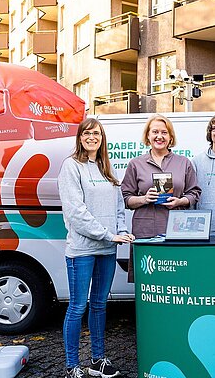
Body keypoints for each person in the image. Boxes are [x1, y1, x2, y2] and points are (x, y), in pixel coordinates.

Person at [58, 118, 134, 378]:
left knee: (100, 305)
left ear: (102, 139)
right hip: (82, 250)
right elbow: (76, 212)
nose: (92, 137)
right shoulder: (72, 166)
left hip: (107, 249)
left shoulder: (106, 169)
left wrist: (121, 232)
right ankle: (71, 365)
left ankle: (97, 360)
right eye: (88, 133)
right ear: (80, 138)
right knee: (78, 306)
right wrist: (108, 235)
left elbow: (118, 208)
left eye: (97, 134)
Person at [121, 114, 201, 280]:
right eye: (155, 132)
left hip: (177, 230)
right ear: (148, 136)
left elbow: (194, 193)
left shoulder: (183, 162)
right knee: (148, 280)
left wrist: (180, 201)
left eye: (164, 132)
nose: (159, 136)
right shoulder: (136, 164)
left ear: (170, 137)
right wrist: (144, 198)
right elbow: (126, 198)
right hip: (145, 231)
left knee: (176, 279)